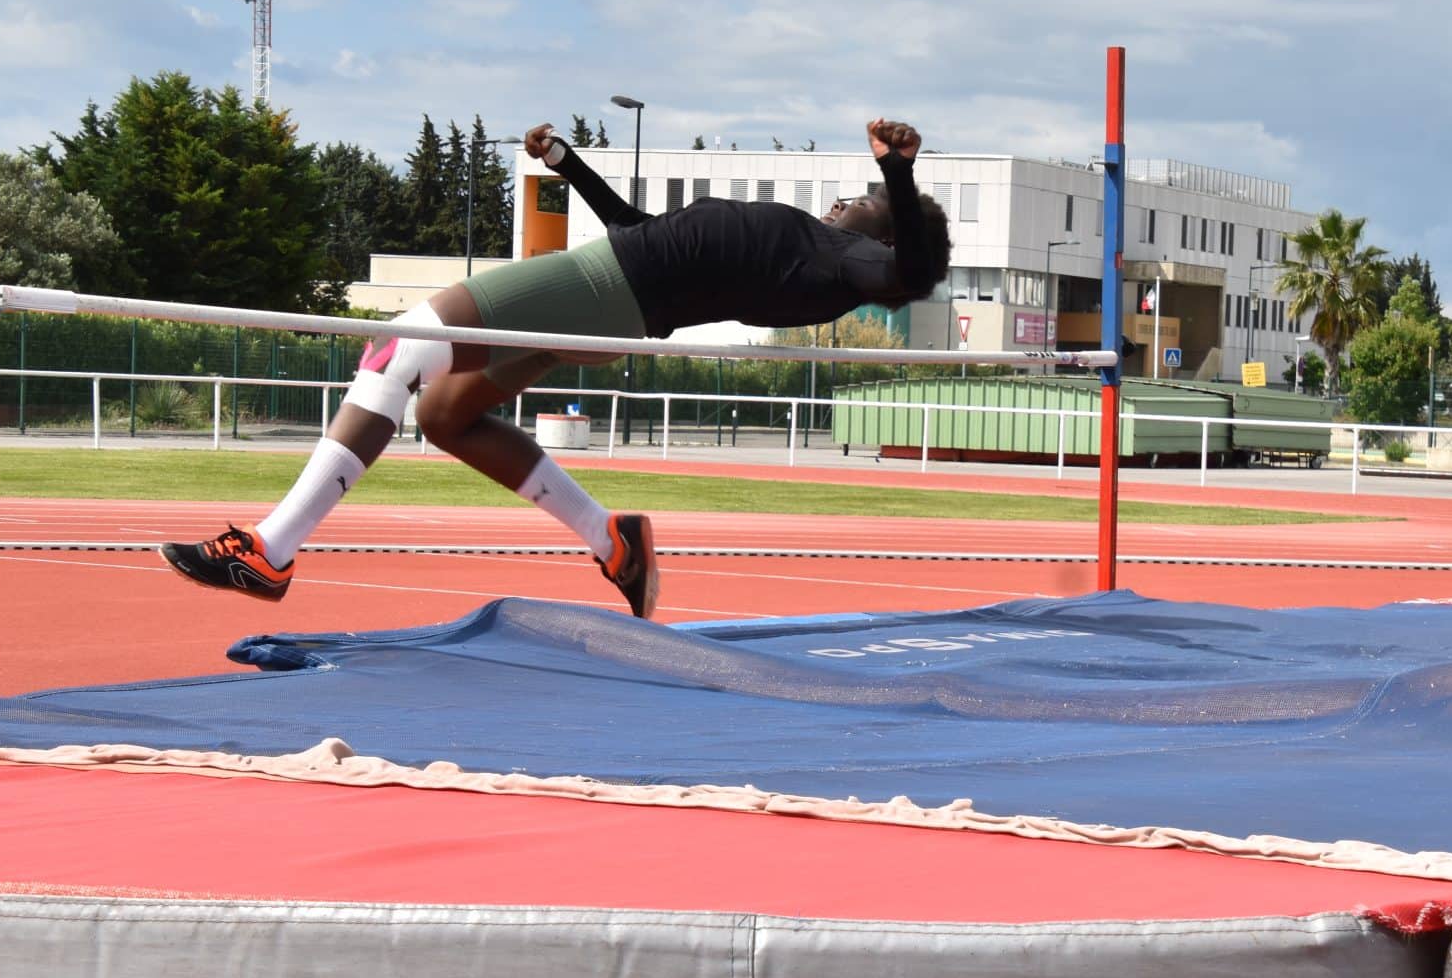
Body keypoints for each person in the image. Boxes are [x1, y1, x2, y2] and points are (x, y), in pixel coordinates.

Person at [161, 117, 950, 620]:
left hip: (603, 292)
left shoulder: (847, 259)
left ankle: (272, 550)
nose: (846, 199)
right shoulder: (807, 250)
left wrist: (900, 177)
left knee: (393, 348)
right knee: (444, 415)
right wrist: (568, 164)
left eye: (861, 199)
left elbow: (909, 275)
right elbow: (644, 231)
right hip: (616, 293)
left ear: (881, 231)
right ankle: (614, 541)